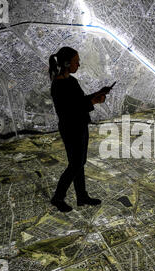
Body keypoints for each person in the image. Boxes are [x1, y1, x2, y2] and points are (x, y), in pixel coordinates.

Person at [48, 46, 112, 212]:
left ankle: (81, 196)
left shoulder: (70, 81)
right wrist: (93, 102)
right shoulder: (59, 85)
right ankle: (58, 197)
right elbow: (69, 110)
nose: (79, 65)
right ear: (67, 63)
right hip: (71, 128)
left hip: (79, 126)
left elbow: (79, 101)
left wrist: (96, 94)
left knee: (79, 163)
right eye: (76, 62)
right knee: (75, 164)